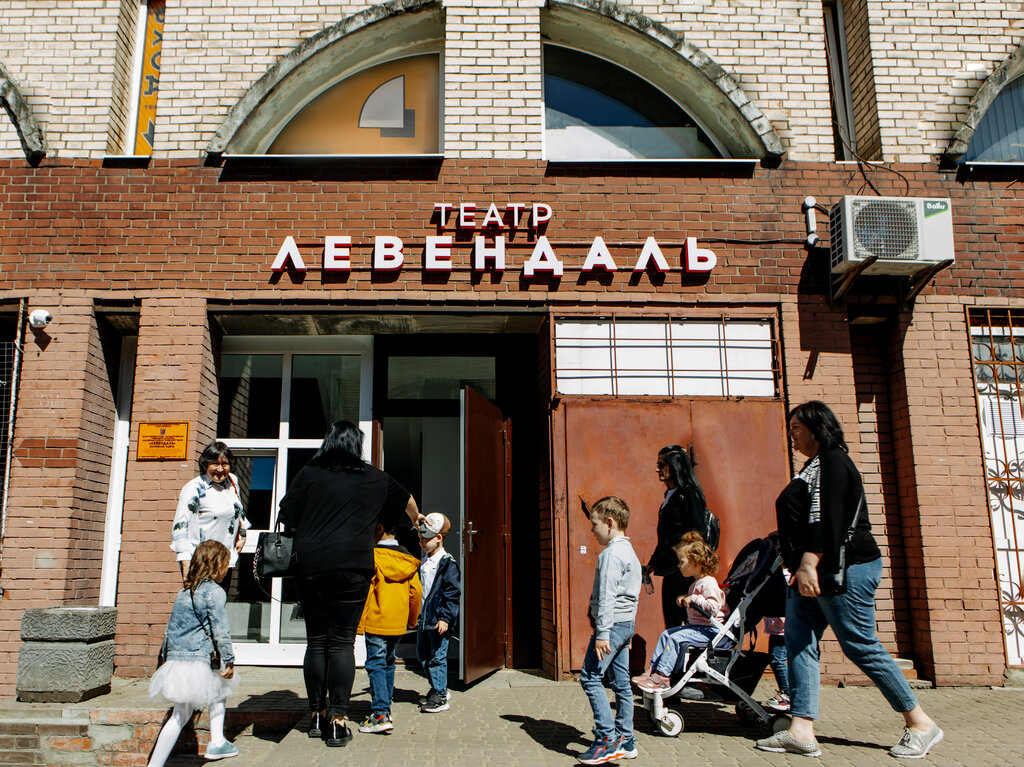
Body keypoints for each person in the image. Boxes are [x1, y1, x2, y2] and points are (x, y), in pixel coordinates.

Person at [756, 401, 942, 759]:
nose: (791, 434)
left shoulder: (833, 461)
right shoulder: (814, 466)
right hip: (812, 571)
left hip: (842, 569)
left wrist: (808, 562)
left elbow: (829, 518)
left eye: (796, 427)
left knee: (859, 644)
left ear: (816, 427)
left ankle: (920, 723)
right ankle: (801, 730)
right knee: (799, 643)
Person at [277, 420, 421, 748]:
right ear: (357, 446)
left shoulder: (309, 474)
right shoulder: (375, 477)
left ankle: (316, 715)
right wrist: (417, 519)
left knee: (317, 641)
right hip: (354, 566)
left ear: (328, 442)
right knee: (342, 643)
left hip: (311, 564)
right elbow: (407, 500)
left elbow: (286, 514)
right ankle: (338, 723)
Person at [148, 541, 240, 766]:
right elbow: (220, 628)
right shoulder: (214, 592)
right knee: (187, 710)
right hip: (198, 657)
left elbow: (171, 629)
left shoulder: (184, 591)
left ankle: (216, 741)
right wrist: (228, 659)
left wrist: (166, 657)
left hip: (178, 658)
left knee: (192, 706)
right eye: (225, 564)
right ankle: (216, 742)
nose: (227, 569)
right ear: (216, 564)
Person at [578, 496, 642, 765]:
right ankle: (625, 739)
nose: (592, 530)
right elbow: (633, 595)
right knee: (621, 683)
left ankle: (606, 740)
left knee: (590, 678)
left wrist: (603, 632)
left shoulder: (611, 555)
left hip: (612, 626)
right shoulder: (630, 553)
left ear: (610, 522)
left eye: (595, 524)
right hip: (625, 625)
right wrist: (627, 632)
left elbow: (607, 596)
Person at [632, 532, 730, 693]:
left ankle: (662, 678)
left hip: (711, 631)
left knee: (675, 639)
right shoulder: (696, 583)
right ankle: (653, 671)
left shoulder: (709, 583)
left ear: (696, 563)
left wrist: (693, 599)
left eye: (682, 562)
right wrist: (686, 598)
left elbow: (713, 607)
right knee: (666, 634)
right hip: (699, 628)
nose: (679, 565)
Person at [356, 513, 422, 734]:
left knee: (375, 663)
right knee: (389, 662)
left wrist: (359, 623)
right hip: (397, 622)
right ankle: (386, 705)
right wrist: (412, 619)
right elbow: (416, 592)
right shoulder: (408, 559)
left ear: (379, 528)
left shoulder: (372, 557)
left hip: (376, 621)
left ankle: (380, 714)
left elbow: (366, 592)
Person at [644, 445, 709, 629]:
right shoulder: (670, 495)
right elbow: (667, 534)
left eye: (662, 465)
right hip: (672, 568)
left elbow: (698, 532)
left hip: (684, 571)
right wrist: (654, 561)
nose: (657, 469)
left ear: (675, 466)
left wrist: (690, 563)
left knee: (680, 620)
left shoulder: (689, 494)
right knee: (671, 619)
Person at [171, 441, 249, 586]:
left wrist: (243, 535)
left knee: (220, 600)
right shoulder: (194, 488)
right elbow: (180, 527)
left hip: (224, 561)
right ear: (206, 464)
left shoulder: (232, 482)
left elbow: (238, 510)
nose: (220, 469)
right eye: (215, 464)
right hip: (201, 563)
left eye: (224, 464)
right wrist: (186, 564)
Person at [416, 512, 460, 714]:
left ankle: (441, 696)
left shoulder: (447, 563)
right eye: (420, 538)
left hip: (438, 621)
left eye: (426, 538)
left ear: (439, 538)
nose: (422, 542)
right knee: (423, 655)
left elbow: (452, 594)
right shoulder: (424, 561)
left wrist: (445, 618)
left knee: (437, 658)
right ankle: (437, 688)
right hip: (424, 619)